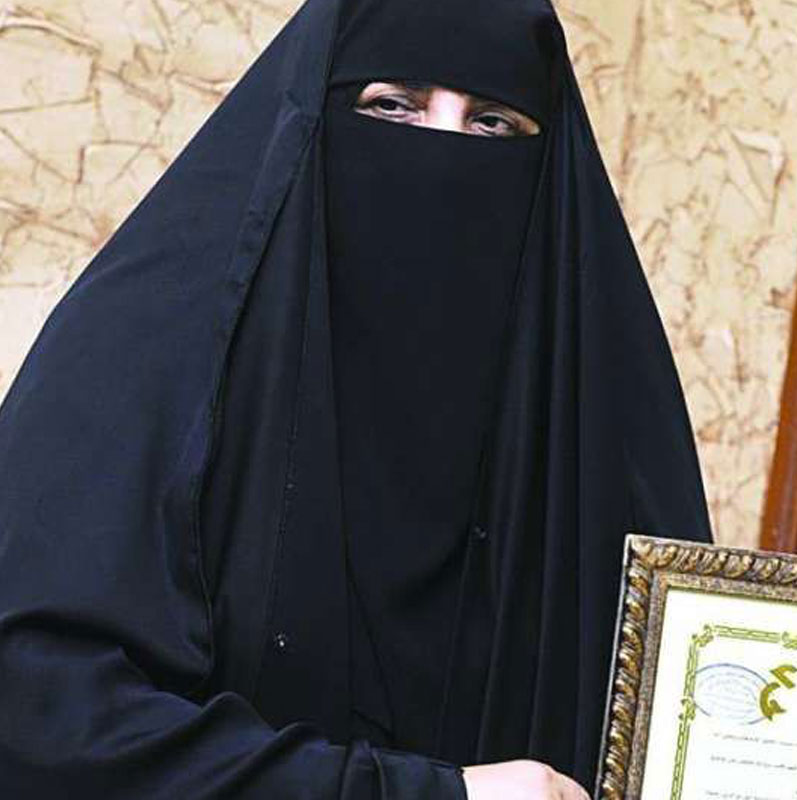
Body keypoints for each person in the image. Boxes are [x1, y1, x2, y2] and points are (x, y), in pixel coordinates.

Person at [0, 0, 712, 796]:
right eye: (395, 107)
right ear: (314, 116)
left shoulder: (589, 426)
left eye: (492, 125)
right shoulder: (148, 356)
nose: (443, 154)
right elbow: (37, 718)